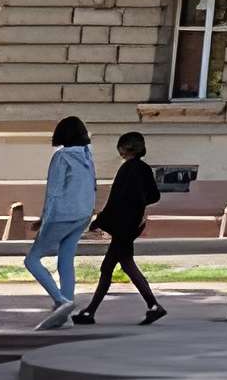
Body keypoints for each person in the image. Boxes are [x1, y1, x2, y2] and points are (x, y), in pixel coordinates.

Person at [76, 129, 165, 326]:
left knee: (111, 267)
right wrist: (139, 208)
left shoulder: (126, 169)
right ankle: (91, 311)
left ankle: (91, 312)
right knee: (122, 265)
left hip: (123, 225)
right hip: (134, 224)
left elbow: (116, 200)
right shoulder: (144, 168)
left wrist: (99, 220)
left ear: (124, 148)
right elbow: (154, 196)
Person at [24, 115, 94, 328]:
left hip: (62, 214)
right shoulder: (87, 154)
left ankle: (61, 301)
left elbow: (54, 191)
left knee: (32, 260)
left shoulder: (61, 156)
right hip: (83, 214)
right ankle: (65, 309)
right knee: (66, 259)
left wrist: (45, 218)